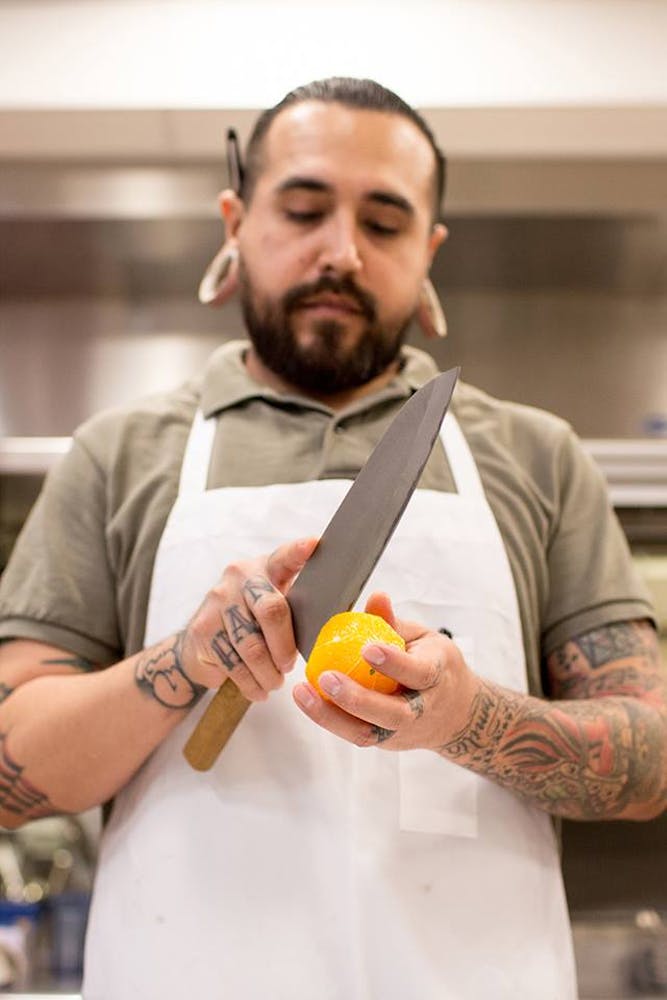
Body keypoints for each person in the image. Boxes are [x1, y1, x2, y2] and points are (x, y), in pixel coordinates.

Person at [0, 77, 665, 1000]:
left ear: (430, 247)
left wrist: (469, 719)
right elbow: (9, 772)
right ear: (235, 219)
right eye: (303, 209)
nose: (340, 252)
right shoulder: (117, 456)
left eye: (384, 224)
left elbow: (648, 760)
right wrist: (182, 664)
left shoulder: (535, 455)